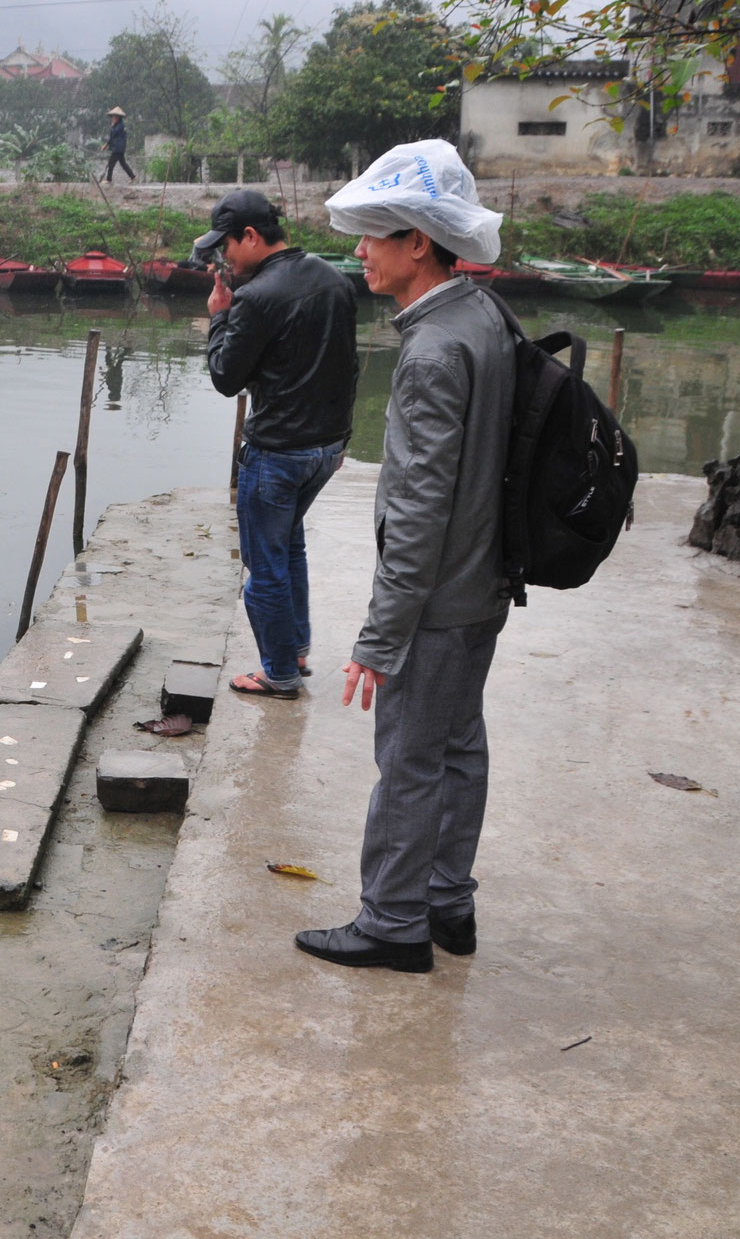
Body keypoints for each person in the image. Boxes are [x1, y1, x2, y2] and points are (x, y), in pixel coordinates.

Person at [297, 139, 514, 973]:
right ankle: (446, 904)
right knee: (459, 746)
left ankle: (391, 921)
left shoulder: (430, 351)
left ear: (417, 241)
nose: (360, 253)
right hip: (484, 583)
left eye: (372, 236)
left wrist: (380, 636)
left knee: (409, 760)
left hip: (437, 601)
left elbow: (419, 510)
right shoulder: (484, 317)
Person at [200, 189, 360, 698]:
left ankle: (280, 673)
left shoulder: (256, 297)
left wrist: (220, 315)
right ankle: (296, 649)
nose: (223, 257)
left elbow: (226, 377)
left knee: (264, 564)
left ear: (250, 236)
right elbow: (348, 366)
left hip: (277, 454)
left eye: (225, 245)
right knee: (290, 546)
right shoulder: (333, 279)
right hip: (326, 449)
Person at [102, 107, 135, 182]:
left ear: (118, 117)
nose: (113, 118)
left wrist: (112, 126)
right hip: (118, 148)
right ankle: (132, 176)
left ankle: (108, 179)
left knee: (111, 163)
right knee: (123, 163)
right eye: (113, 116)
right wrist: (106, 145)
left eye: (114, 116)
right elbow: (111, 138)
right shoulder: (117, 125)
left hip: (118, 148)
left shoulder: (120, 125)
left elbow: (114, 133)